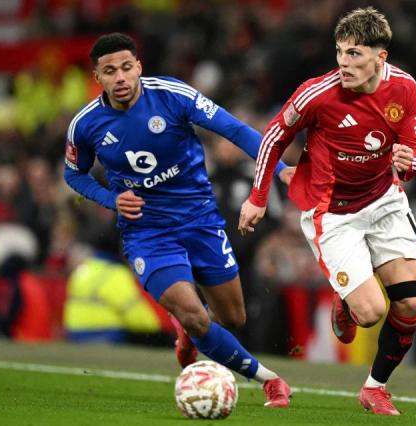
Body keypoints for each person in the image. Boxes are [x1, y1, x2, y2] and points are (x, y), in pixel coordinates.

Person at [64, 33, 293, 407]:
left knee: (233, 317)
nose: (120, 77)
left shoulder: (172, 95)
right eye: (110, 71)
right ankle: (270, 380)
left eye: (126, 67)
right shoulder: (86, 125)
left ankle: (187, 332)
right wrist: (111, 199)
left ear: (138, 67)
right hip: (147, 232)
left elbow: (234, 130)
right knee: (195, 315)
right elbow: (74, 174)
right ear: (98, 77)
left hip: (200, 220)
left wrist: (280, 169)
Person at [239, 7, 416, 415]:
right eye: (340, 52)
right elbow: (274, 137)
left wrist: (410, 164)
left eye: (355, 53)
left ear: (380, 57)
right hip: (332, 212)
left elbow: (413, 151)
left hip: (383, 200)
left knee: (410, 305)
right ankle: (348, 300)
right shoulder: (317, 93)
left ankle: (375, 388)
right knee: (371, 312)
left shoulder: (405, 88)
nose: (344, 62)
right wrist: (258, 197)